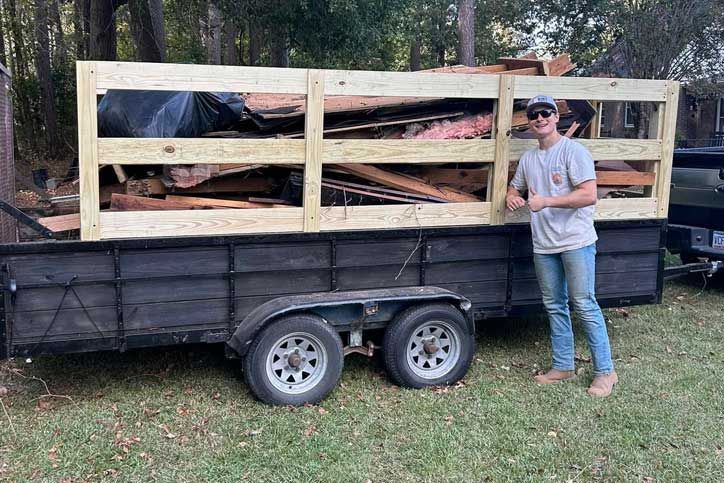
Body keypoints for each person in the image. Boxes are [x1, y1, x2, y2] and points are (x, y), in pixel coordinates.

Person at [506, 95, 618, 397]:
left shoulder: (574, 152)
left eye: (545, 113)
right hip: (544, 244)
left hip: (576, 241)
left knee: (584, 304)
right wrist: (511, 196)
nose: (539, 118)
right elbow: (515, 186)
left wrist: (547, 201)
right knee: (555, 305)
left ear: (557, 117)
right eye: (533, 115)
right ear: (529, 123)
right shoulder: (529, 159)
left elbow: (588, 195)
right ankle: (563, 365)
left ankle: (605, 372)